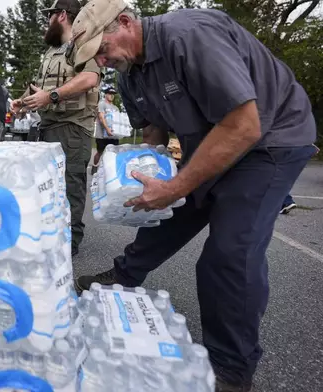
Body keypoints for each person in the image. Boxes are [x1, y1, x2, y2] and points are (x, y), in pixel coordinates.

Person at [69, 1, 317, 391]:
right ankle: (125, 275)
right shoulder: (129, 73)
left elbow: (242, 125)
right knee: (167, 212)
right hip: (211, 139)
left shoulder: (189, 36)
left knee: (230, 250)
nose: (101, 60)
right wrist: (135, 175)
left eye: (102, 48)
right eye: (95, 56)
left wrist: (175, 187)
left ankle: (232, 368)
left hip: (268, 139)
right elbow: (153, 131)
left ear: (125, 21)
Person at [12, 0, 100, 257]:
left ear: (61, 15)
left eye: (49, 15)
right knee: (49, 186)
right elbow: (41, 88)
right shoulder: (52, 52)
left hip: (72, 129)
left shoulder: (83, 43)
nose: (46, 21)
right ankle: (49, 235)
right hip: (48, 128)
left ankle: (68, 243)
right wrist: (25, 101)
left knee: (70, 186)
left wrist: (50, 97)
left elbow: (90, 78)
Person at [91, 85, 120, 175]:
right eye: (110, 93)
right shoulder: (102, 104)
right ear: (106, 94)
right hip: (102, 135)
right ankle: (94, 167)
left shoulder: (116, 108)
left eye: (113, 94)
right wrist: (107, 129)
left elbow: (117, 121)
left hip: (113, 135)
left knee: (113, 152)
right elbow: (101, 117)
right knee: (100, 152)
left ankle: (110, 170)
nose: (112, 95)